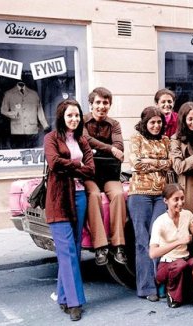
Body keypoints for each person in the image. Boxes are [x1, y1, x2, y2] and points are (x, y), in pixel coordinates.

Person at [44, 99, 94, 321]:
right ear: (61, 117)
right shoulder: (51, 138)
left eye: (77, 116)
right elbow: (54, 163)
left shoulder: (82, 140)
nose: (74, 119)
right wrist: (77, 166)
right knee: (67, 251)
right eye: (69, 116)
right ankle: (75, 303)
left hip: (80, 197)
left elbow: (91, 170)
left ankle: (64, 297)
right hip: (58, 198)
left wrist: (75, 168)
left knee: (73, 248)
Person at [127, 106, 172, 301]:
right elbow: (135, 163)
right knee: (142, 241)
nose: (156, 125)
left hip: (161, 194)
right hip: (140, 195)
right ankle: (147, 288)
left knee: (160, 238)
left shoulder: (166, 140)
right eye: (152, 122)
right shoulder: (136, 138)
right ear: (145, 123)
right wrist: (160, 162)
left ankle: (161, 285)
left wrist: (150, 161)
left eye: (159, 122)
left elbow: (171, 163)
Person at [82, 87, 127, 266]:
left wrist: (101, 150)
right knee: (93, 196)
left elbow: (120, 145)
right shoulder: (82, 121)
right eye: (98, 102)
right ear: (91, 104)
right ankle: (100, 246)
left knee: (118, 195)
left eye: (105, 103)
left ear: (110, 105)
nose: (102, 106)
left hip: (109, 173)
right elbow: (85, 140)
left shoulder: (114, 124)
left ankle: (118, 245)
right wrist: (110, 149)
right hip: (89, 174)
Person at [149, 184, 193, 308]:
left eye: (182, 198)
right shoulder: (160, 222)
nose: (180, 203)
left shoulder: (188, 214)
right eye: (176, 199)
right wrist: (178, 242)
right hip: (167, 264)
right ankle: (172, 295)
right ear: (165, 201)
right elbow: (153, 253)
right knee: (180, 264)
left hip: (184, 259)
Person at [1, 81, 50, 148]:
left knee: (32, 153)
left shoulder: (34, 94)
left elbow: (40, 110)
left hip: (32, 130)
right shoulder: (9, 94)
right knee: (18, 152)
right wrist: (14, 114)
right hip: (17, 130)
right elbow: (3, 110)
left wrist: (45, 125)